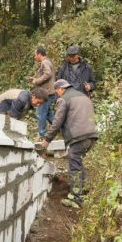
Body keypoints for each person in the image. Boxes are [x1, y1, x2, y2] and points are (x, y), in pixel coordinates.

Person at [40, 79, 98, 208]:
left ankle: (76, 198)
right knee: (78, 162)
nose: (57, 95)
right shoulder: (83, 96)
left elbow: (57, 122)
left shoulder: (64, 99)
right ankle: (82, 192)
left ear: (61, 89)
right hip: (91, 136)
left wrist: (46, 140)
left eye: (56, 92)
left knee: (74, 165)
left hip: (79, 137)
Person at [28, 46, 56, 140]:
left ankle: (42, 135)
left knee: (40, 114)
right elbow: (45, 75)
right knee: (48, 114)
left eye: (35, 55)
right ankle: (61, 128)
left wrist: (36, 81)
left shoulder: (45, 62)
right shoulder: (47, 61)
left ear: (39, 54)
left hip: (45, 93)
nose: (35, 57)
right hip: (49, 92)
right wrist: (34, 79)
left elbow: (47, 74)